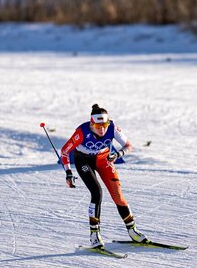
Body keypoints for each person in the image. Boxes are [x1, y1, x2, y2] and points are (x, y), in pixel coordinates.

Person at [61, 103, 147, 249]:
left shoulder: (112, 128)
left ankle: (132, 231)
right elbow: (64, 151)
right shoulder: (82, 131)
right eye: (97, 126)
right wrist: (68, 173)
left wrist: (119, 154)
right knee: (97, 193)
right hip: (83, 159)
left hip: (103, 159)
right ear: (91, 124)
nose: (102, 129)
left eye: (104, 125)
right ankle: (94, 235)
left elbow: (129, 146)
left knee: (118, 195)